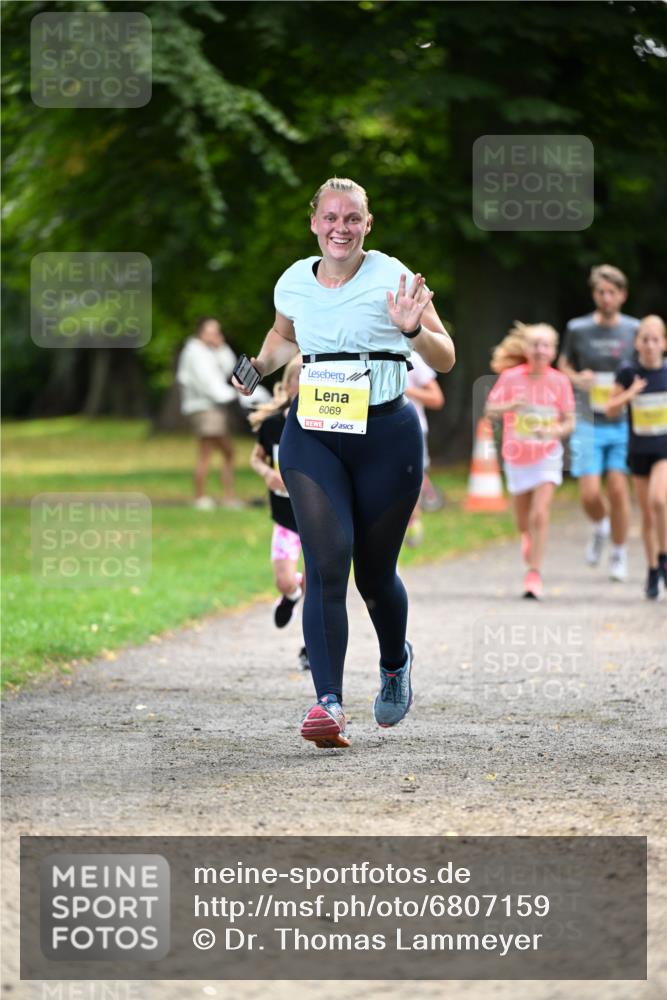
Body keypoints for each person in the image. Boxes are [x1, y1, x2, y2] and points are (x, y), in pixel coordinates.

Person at [233, 176, 455, 749]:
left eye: (351, 218)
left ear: (367, 223)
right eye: (330, 217)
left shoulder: (394, 276)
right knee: (326, 564)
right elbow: (283, 336)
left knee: (374, 573)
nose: (340, 227)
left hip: (387, 435)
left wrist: (413, 330)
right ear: (314, 223)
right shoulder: (293, 280)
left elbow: (446, 356)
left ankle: (393, 662)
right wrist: (256, 365)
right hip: (316, 433)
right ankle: (327, 703)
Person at [558, 265, 639, 580]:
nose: (605, 298)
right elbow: (563, 363)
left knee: (619, 490)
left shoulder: (634, 329)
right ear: (594, 294)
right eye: (600, 292)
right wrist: (577, 377)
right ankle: (601, 526)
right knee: (590, 493)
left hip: (622, 420)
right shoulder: (578, 328)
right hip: (588, 418)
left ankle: (619, 553)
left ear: (622, 295)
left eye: (611, 292)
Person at [485, 322, 575, 599]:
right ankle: (528, 538)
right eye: (535, 344)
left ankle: (534, 574)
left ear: (553, 351)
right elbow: (490, 409)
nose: (540, 350)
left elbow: (570, 421)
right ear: (526, 348)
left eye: (545, 345)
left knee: (539, 513)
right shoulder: (512, 378)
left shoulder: (560, 381)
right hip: (517, 456)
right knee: (524, 520)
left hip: (547, 455)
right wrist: (510, 406)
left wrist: (554, 431)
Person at [248, 355, 309, 668]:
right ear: (286, 386)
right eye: (297, 379)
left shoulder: (321, 425)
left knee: (318, 587)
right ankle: (290, 595)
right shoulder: (273, 425)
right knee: (286, 581)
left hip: (316, 516)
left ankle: (310, 647)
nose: (302, 385)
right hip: (285, 517)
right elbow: (256, 458)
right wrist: (267, 474)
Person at [606, 315, 667, 599]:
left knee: (659, 501)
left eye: (656, 340)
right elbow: (610, 409)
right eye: (645, 340)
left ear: (664, 343)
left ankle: (664, 556)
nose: (650, 345)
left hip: (663, 452)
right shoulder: (628, 373)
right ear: (637, 343)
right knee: (647, 516)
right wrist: (629, 393)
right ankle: (653, 569)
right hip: (639, 451)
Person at [177, 317, 241, 510]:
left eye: (218, 332)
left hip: (213, 408)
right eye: (212, 332)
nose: (216, 335)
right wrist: (233, 395)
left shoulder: (210, 351)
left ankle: (225, 497)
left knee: (225, 452)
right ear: (201, 332)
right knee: (211, 452)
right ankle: (202, 497)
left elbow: (230, 368)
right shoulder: (195, 353)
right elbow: (208, 384)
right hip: (205, 408)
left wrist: (222, 347)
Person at [404, 352, 445, 546]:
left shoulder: (411, 358)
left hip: (413, 430)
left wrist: (405, 390)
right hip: (376, 428)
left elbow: (437, 398)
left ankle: (413, 523)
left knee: (412, 483)